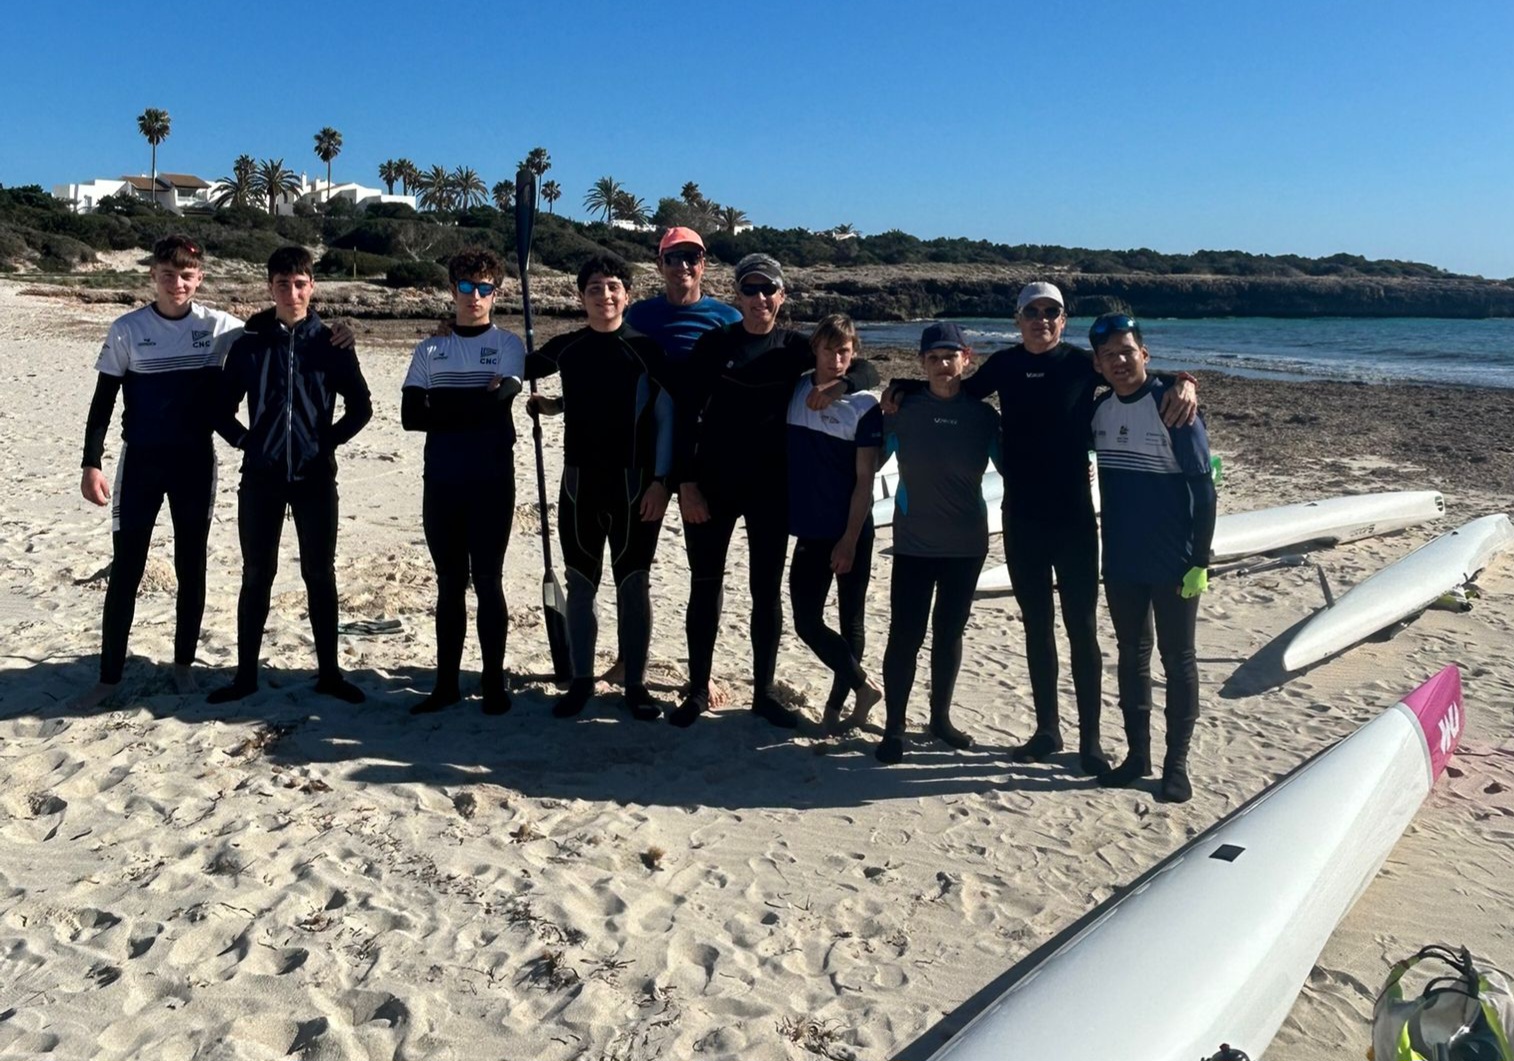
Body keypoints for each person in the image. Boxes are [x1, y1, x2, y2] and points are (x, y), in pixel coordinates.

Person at [885, 282, 1195, 777]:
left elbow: (1132, 374)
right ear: (1018, 319)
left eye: (1051, 312)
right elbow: (955, 388)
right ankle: (1047, 729)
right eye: (1032, 312)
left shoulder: (1082, 363)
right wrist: (904, 385)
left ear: (1063, 320)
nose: (1042, 319)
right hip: (1022, 519)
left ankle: (1090, 741)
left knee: (1082, 629)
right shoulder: (1004, 365)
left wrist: (1184, 380)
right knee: (1037, 627)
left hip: (1073, 520)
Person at [670, 253, 877, 729]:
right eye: (750, 289)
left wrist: (841, 386)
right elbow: (684, 414)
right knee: (705, 585)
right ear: (737, 295)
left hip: (771, 491)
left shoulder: (796, 348)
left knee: (765, 592)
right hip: (713, 485)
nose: (759, 298)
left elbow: (865, 368)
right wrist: (685, 483)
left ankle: (763, 694)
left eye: (769, 289)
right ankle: (698, 688)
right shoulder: (715, 343)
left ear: (782, 296)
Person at [71, 235, 242, 709]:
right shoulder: (127, 329)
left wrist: (336, 332)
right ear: (153, 275)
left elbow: (276, 332)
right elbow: (102, 403)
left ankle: (183, 666)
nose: (177, 284)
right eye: (168, 275)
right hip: (141, 462)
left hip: (195, 461)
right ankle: (109, 678)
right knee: (127, 567)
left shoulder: (219, 327)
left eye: (186, 275)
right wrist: (91, 463)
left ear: (199, 278)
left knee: (192, 565)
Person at [208, 245, 372, 704]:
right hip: (261, 477)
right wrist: (246, 442)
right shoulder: (250, 345)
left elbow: (361, 407)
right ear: (271, 287)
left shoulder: (333, 344)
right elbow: (220, 409)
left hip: (315, 477)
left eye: (300, 284)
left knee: (320, 573)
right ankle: (245, 676)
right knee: (256, 574)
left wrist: (327, 442)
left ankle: (330, 674)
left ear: (312, 286)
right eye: (283, 284)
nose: (292, 293)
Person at [524, 253, 674, 722]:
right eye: (594, 288)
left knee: (633, 583)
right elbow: (519, 363)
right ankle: (582, 681)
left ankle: (636, 685)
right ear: (580, 297)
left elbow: (665, 418)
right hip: (579, 485)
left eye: (612, 287)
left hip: (634, 486)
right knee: (581, 583)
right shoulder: (568, 347)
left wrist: (662, 482)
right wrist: (550, 405)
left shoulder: (646, 350)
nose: (604, 295)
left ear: (627, 295)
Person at [1088, 314, 1215, 803]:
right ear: (1098, 365)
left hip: (1174, 560)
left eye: (1127, 351)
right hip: (1121, 559)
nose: (1119, 361)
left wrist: (1200, 560)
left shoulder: (1174, 408)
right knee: (1131, 655)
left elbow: (1204, 492)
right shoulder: (1099, 412)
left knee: (1178, 660)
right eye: (1109, 355)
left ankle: (1175, 765)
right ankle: (1137, 757)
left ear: (1144, 354)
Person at [400, 248, 524, 716]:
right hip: (443, 482)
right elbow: (411, 417)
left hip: (492, 482)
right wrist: (477, 403)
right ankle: (446, 685)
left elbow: (502, 400)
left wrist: (444, 406)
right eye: (467, 287)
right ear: (453, 290)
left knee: (489, 582)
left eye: (484, 288)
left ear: (496, 293)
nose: (475, 296)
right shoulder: (429, 350)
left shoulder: (508, 344)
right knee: (449, 584)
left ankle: (493, 684)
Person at [874, 323, 1002, 764]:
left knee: (949, 633)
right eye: (933, 358)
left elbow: (1017, 466)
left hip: (967, 544)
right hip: (914, 543)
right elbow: (870, 460)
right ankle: (894, 726)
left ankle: (940, 720)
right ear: (922, 363)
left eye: (950, 357)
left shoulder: (984, 417)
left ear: (967, 359)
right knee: (905, 635)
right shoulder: (903, 409)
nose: (943, 365)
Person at [785, 314, 884, 732]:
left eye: (844, 351)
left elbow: (865, 481)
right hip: (812, 527)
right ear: (815, 349)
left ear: (853, 352)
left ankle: (836, 709)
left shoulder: (864, 406)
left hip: (851, 529)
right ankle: (863, 686)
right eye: (829, 350)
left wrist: (849, 539)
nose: (836, 359)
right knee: (806, 621)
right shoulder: (795, 389)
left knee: (851, 619)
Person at [624, 227, 741, 362]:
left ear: (702, 265)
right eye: (674, 258)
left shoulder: (729, 318)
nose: (683, 266)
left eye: (691, 258)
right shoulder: (639, 315)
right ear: (660, 265)